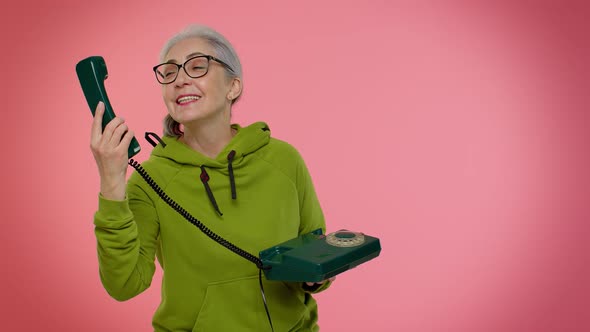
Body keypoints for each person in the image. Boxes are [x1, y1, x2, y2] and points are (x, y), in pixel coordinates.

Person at [90, 24, 333, 331]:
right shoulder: (150, 180)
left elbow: (316, 254)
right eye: (169, 72)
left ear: (233, 86)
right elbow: (123, 285)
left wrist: (316, 274)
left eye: (196, 66)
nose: (179, 80)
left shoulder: (284, 160)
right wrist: (111, 180)